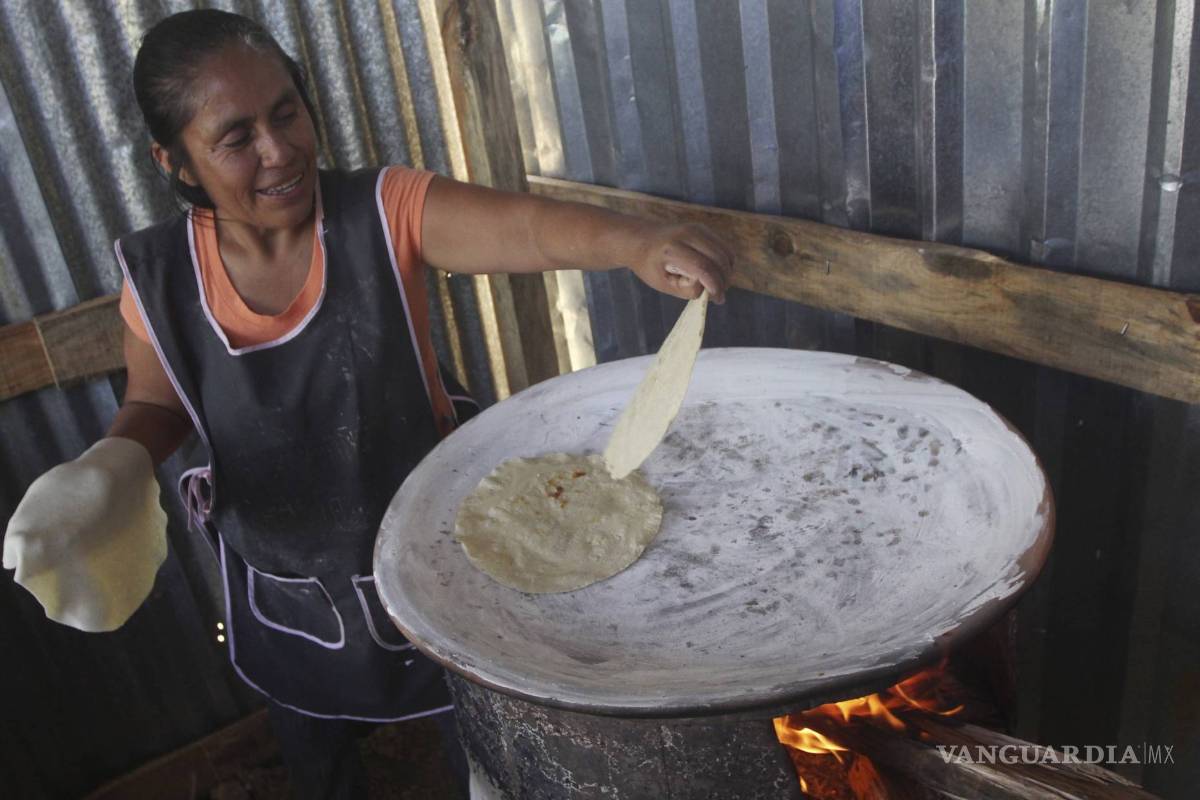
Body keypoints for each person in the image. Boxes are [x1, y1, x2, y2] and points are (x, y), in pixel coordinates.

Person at [2, 9, 732, 799]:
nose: (279, 150)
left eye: (287, 111)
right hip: (289, 587)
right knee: (318, 761)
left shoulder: (382, 211)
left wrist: (634, 244)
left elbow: (527, 226)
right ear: (176, 161)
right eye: (236, 137)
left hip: (436, 559)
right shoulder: (160, 279)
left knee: (483, 750)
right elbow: (159, 398)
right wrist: (116, 460)